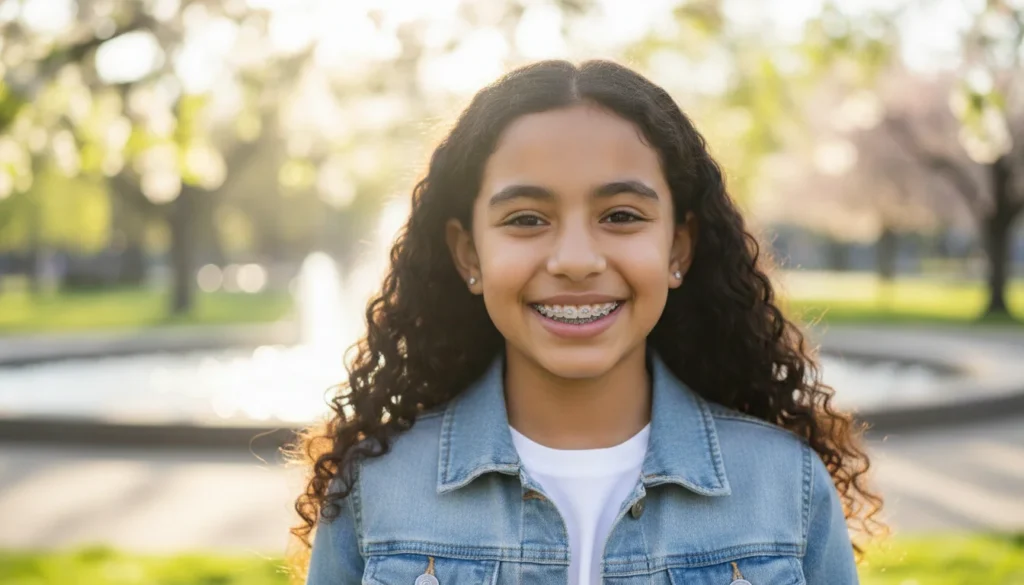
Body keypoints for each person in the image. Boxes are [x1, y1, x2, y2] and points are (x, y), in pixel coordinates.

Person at [290, 60, 883, 585]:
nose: (575, 260)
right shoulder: (375, 489)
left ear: (678, 248)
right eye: (525, 219)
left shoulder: (787, 487)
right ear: (469, 254)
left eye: (621, 215)